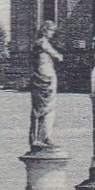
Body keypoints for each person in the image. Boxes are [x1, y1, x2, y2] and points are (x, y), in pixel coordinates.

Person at [28, 20, 64, 150]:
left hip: (47, 80)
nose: (52, 33)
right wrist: (58, 56)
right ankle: (37, 139)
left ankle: (45, 137)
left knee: (49, 109)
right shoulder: (42, 42)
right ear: (44, 30)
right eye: (50, 30)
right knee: (40, 110)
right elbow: (57, 56)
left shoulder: (43, 43)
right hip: (42, 80)